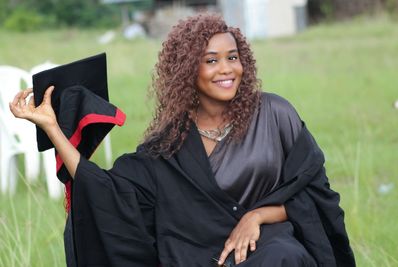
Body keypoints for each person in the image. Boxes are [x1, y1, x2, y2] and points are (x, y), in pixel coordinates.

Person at [9, 14, 355, 267]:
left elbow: (317, 195)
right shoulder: (170, 144)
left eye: (232, 57)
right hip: (206, 256)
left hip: (273, 246)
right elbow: (109, 193)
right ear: (188, 71)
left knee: (285, 256)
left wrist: (260, 215)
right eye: (211, 61)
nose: (226, 69)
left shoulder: (275, 114)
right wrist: (54, 130)